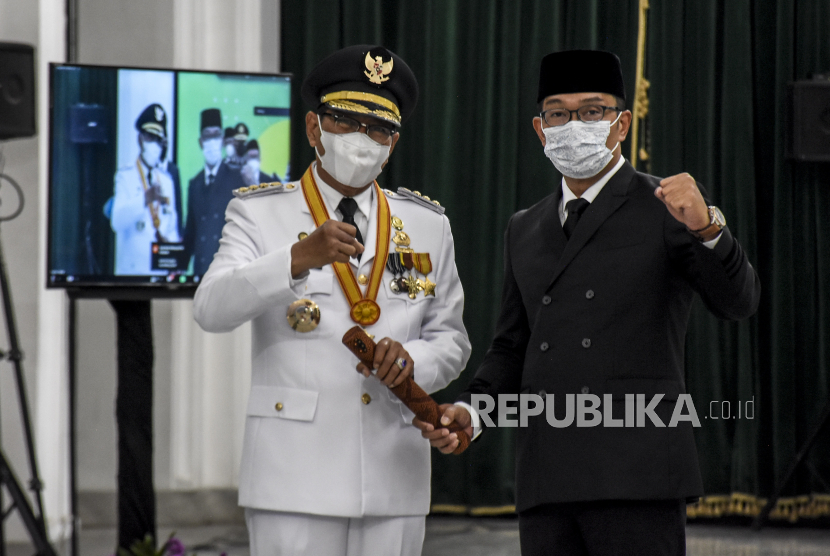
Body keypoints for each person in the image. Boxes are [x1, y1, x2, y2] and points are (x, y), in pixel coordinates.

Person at [416, 50, 761, 556]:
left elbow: (739, 302)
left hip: (637, 472)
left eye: (592, 110)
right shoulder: (524, 226)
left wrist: (708, 226)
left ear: (621, 124)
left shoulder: (667, 206)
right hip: (547, 475)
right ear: (540, 129)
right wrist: (475, 410)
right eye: (558, 112)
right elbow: (512, 346)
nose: (573, 124)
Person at [192, 44, 471, 556]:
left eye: (379, 128)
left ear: (393, 144)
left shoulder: (428, 225)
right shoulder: (260, 214)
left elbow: (451, 338)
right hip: (293, 473)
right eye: (346, 121)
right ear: (314, 129)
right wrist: (297, 258)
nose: (362, 139)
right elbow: (210, 309)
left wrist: (416, 361)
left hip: (394, 467)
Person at [110, 103, 182, 275]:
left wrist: (173, 251)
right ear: (140, 138)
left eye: (159, 140)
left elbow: (172, 226)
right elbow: (117, 221)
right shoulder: (125, 176)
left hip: (160, 274)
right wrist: (144, 199)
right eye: (150, 137)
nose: (155, 145)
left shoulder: (167, 181)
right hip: (132, 275)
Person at [183, 108, 245, 276]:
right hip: (199, 275)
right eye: (207, 136)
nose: (212, 141)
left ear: (223, 140)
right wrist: (177, 271)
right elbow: (190, 232)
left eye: (216, 135)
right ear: (200, 142)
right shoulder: (194, 184)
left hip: (226, 274)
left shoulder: (237, 180)